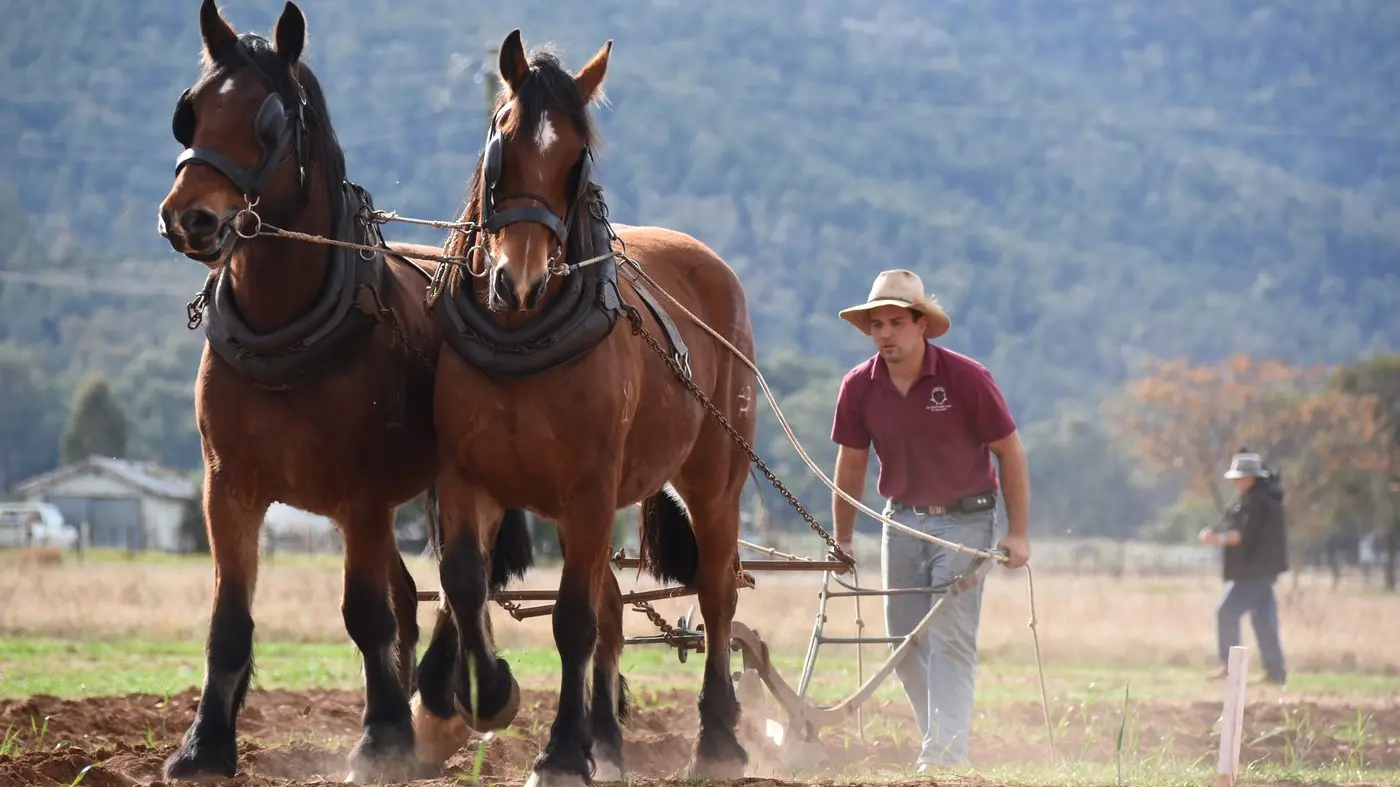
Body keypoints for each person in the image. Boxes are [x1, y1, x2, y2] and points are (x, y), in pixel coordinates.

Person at [828, 269, 1031, 771]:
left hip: (967, 522)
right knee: (902, 640)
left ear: (921, 324)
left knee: (950, 637)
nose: (885, 334)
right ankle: (940, 740)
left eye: (896, 322)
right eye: (876, 324)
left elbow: (1010, 452)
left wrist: (1019, 532)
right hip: (900, 522)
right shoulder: (858, 387)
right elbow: (851, 464)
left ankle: (941, 757)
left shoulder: (966, 378)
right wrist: (844, 539)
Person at [1198, 448, 1289, 686]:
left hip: (1254, 572)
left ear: (1251, 478)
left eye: (1239, 477)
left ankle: (1231, 669)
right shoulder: (1262, 499)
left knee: (1226, 612)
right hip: (1262, 571)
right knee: (1263, 620)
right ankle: (1275, 672)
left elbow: (1243, 536)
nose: (1236, 482)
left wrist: (1215, 539)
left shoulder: (1257, 503)